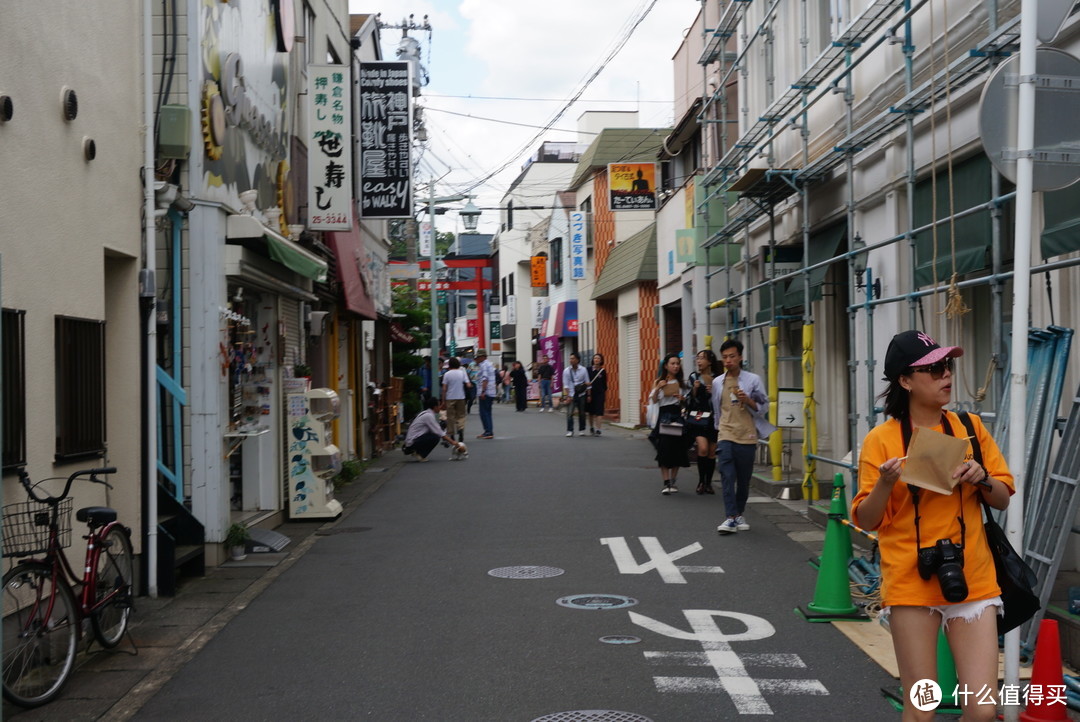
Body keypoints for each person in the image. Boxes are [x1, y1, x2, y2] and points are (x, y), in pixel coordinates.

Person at [852, 331, 1012, 722]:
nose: (946, 375)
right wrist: (887, 483)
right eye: (934, 368)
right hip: (911, 580)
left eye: (948, 366)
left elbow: (1003, 497)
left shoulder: (969, 427)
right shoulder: (882, 439)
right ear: (905, 381)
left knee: (984, 709)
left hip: (972, 576)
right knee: (921, 708)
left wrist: (982, 478)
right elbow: (867, 520)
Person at [711, 339, 775, 531]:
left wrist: (747, 400)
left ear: (740, 357)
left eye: (732, 356)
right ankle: (730, 516)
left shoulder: (753, 380)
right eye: (724, 357)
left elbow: (763, 408)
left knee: (744, 479)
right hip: (725, 433)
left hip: (747, 435)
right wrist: (718, 430)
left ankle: (739, 514)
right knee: (727, 475)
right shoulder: (717, 382)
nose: (728, 361)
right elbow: (717, 409)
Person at [651, 353, 689, 494]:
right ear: (666, 366)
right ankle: (666, 482)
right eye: (672, 364)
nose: (675, 366)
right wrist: (658, 388)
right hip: (664, 416)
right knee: (664, 448)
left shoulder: (682, 383)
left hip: (677, 416)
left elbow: (687, 402)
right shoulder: (659, 382)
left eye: (677, 364)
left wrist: (682, 399)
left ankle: (673, 480)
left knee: (677, 448)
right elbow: (654, 400)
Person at [687, 349, 720, 495]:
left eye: (702, 358)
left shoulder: (718, 378)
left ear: (710, 361)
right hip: (699, 418)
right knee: (703, 449)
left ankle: (708, 483)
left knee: (712, 452)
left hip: (714, 418)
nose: (699, 361)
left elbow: (722, 398)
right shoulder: (693, 377)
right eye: (698, 358)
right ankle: (701, 481)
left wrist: (713, 391)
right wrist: (694, 389)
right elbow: (689, 399)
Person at [403, 397, 468, 461]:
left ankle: (417, 451)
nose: (440, 407)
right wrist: (453, 442)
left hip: (411, 441)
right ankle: (420, 454)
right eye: (439, 405)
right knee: (435, 437)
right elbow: (439, 432)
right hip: (412, 443)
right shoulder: (428, 416)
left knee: (433, 435)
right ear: (435, 407)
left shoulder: (425, 413)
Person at [441, 357, 471, 444]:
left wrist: (443, 400)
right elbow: (468, 384)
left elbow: (444, 389)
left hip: (450, 397)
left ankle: (452, 434)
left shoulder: (447, 374)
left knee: (450, 417)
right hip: (461, 397)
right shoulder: (462, 373)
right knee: (461, 416)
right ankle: (460, 429)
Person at [561, 352, 590, 437]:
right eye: (570, 358)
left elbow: (587, 382)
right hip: (571, 394)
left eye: (573, 358)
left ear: (577, 360)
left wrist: (588, 395)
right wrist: (568, 396)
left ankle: (582, 429)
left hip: (581, 394)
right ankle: (570, 430)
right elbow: (565, 384)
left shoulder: (583, 370)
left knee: (582, 412)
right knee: (570, 413)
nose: (571, 360)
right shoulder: (566, 371)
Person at [475, 349, 497, 439]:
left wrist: (483, 391)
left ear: (482, 357)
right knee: (487, 412)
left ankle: (488, 431)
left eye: (478, 357)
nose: (477, 359)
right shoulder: (489, 364)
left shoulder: (484, 365)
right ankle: (488, 431)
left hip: (486, 392)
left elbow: (485, 379)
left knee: (484, 412)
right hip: (491, 391)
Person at [586, 353, 607, 435]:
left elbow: (605, 384)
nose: (596, 360)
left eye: (598, 358)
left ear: (601, 360)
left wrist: (603, 392)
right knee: (591, 412)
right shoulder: (588, 370)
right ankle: (591, 427)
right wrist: (588, 394)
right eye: (595, 358)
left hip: (600, 394)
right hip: (590, 393)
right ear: (593, 360)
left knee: (599, 411)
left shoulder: (603, 371)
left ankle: (598, 429)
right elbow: (586, 382)